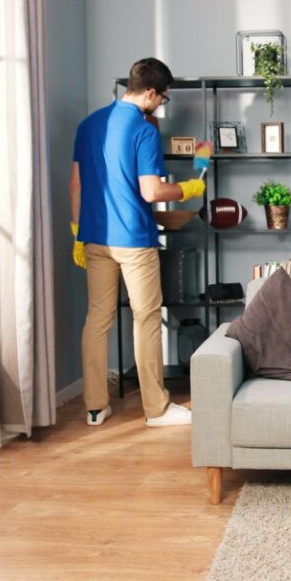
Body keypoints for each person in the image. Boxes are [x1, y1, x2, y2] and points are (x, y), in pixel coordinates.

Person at [70, 58, 205, 428]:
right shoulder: (143, 131)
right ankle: (156, 409)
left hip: (94, 237)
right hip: (133, 239)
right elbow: (151, 192)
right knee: (146, 318)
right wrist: (187, 188)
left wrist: (76, 232)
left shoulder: (88, 124)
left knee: (98, 318)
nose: (161, 104)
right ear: (149, 93)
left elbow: (76, 185)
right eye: (162, 98)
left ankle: (95, 408)